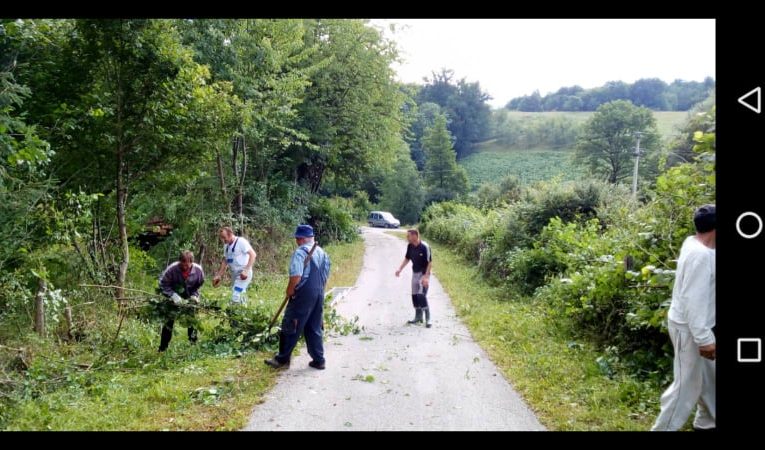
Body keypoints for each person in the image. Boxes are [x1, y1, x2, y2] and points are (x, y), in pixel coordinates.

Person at [652, 204, 716, 431]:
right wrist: (704, 339)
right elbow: (694, 301)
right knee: (685, 388)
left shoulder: (694, 242)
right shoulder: (700, 256)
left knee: (710, 381)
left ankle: (707, 423)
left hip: (699, 327)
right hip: (690, 329)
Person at [265, 224, 331, 370]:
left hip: (302, 295)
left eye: (297, 239)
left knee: (291, 324)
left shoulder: (301, 252)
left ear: (301, 239)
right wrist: (318, 293)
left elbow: (296, 275)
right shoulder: (323, 254)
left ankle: (282, 360)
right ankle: (319, 360)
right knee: (314, 326)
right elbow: (325, 277)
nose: (296, 241)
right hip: (319, 293)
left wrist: (289, 290)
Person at [158, 251, 204, 352]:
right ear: (179, 262)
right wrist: (173, 295)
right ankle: (163, 348)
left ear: (191, 262)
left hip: (189, 298)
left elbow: (199, 284)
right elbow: (162, 284)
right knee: (168, 322)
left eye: (187, 265)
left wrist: (195, 296)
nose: (184, 267)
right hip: (173, 297)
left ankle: (193, 345)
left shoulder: (198, 270)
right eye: (182, 264)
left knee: (192, 320)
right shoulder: (172, 269)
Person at [395, 229, 433, 328]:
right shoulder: (410, 246)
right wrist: (399, 269)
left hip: (424, 274)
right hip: (415, 273)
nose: (407, 238)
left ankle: (428, 318)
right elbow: (407, 258)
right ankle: (418, 317)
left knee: (421, 295)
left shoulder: (425, 246)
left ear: (415, 235)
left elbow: (430, 263)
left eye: (408, 236)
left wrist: (426, 277)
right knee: (415, 296)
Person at [212, 226, 257, 305]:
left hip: (244, 272)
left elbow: (253, 255)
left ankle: (233, 311)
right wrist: (219, 275)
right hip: (234, 274)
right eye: (221, 238)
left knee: (236, 294)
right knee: (240, 293)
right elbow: (225, 261)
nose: (223, 240)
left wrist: (246, 270)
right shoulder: (226, 246)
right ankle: (244, 311)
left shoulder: (241, 242)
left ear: (230, 234)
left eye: (224, 238)